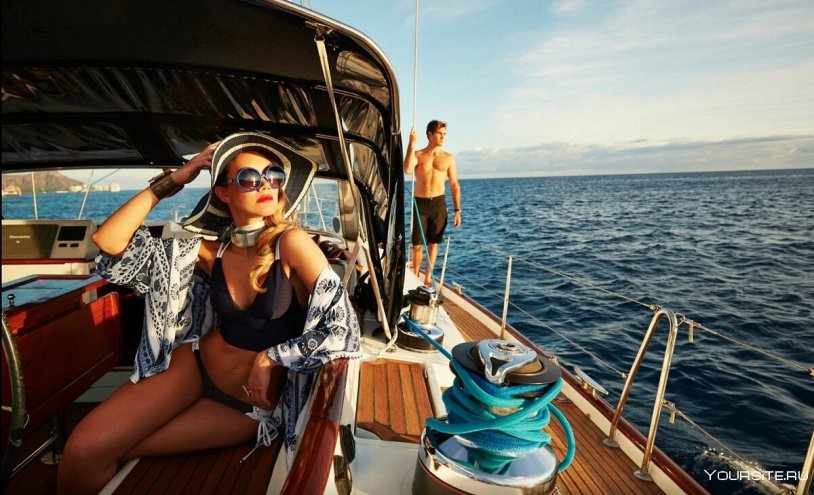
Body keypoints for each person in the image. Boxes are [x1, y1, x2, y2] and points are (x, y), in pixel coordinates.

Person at [57, 132, 361, 494]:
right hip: (192, 366)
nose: (266, 184)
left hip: (247, 408)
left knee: (106, 452)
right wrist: (175, 180)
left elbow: (344, 328)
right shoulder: (208, 252)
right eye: (249, 178)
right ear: (223, 193)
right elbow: (109, 243)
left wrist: (272, 356)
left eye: (274, 176)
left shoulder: (291, 244)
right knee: (82, 451)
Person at [404, 120, 461, 286]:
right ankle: (415, 276)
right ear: (430, 134)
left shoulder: (448, 158)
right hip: (420, 203)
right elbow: (407, 169)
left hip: (438, 203)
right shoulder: (418, 155)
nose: (443, 137)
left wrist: (458, 209)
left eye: (444, 134)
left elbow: (454, 185)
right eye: (439, 133)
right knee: (417, 245)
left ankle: (428, 278)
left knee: (433, 244)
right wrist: (411, 143)